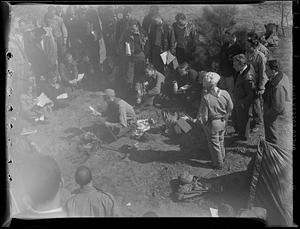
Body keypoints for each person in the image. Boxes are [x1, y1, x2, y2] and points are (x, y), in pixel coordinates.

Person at [196, 72, 233, 169]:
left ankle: (218, 164)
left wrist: (201, 123)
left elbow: (204, 116)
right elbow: (231, 107)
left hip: (212, 123)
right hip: (223, 120)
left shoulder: (206, 97)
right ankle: (222, 157)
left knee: (214, 144)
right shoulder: (225, 93)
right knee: (221, 140)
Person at [263, 59, 292, 151]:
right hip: (272, 105)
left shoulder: (277, 86)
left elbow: (278, 106)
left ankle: (273, 150)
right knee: (270, 130)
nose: (265, 71)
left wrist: (268, 114)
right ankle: (270, 146)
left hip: (273, 110)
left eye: (267, 70)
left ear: (273, 70)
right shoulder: (281, 75)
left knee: (271, 131)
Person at [118, 19, 148, 98]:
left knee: (140, 76)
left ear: (137, 27)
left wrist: (146, 55)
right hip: (130, 58)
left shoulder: (142, 33)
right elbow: (120, 44)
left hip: (140, 56)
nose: (132, 30)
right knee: (129, 78)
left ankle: (139, 95)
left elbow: (147, 44)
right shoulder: (126, 33)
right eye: (131, 28)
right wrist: (124, 53)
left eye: (133, 29)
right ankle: (128, 95)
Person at [232, 54, 256, 142]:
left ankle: (244, 136)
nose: (233, 66)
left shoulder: (247, 77)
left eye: (235, 65)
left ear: (241, 64)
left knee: (244, 119)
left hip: (243, 102)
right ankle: (241, 133)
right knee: (240, 118)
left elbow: (251, 94)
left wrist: (242, 103)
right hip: (240, 100)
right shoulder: (243, 71)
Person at [246, 36, 268, 132]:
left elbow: (263, 73)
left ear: (253, 47)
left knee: (256, 103)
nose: (246, 46)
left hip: (257, 82)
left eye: (248, 45)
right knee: (251, 102)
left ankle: (258, 123)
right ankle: (251, 119)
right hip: (249, 81)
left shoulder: (260, 57)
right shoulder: (247, 54)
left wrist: (261, 87)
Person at [219, 30, 244, 97]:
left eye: (227, 36)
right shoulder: (225, 45)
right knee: (222, 91)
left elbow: (240, 62)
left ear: (233, 37)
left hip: (231, 74)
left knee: (230, 92)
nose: (225, 38)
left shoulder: (238, 48)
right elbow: (221, 56)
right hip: (223, 72)